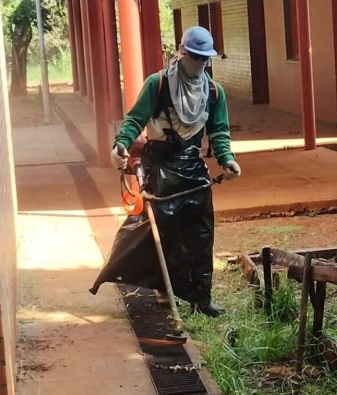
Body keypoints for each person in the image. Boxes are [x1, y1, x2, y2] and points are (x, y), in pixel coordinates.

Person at [90, 27, 240, 317]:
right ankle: (163, 289)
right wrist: (120, 145)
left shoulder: (213, 92)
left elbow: (219, 132)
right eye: (194, 57)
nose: (199, 65)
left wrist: (227, 159)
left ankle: (200, 296)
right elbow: (135, 120)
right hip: (159, 164)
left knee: (200, 232)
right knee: (162, 231)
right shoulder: (158, 84)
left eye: (204, 59)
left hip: (192, 165)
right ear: (182, 54)